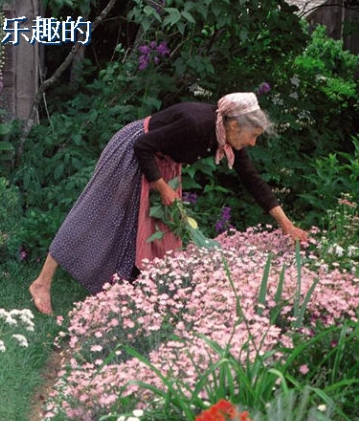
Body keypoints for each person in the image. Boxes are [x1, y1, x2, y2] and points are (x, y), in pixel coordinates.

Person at [29, 92, 309, 316]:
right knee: (96, 213)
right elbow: (142, 145)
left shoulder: (226, 137)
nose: (253, 143)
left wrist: (286, 225)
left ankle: (138, 298)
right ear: (234, 125)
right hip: (133, 152)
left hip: (160, 163)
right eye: (253, 135)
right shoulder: (196, 124)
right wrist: (163, 188)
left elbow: (252, 179)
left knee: (155, 231)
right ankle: (42, 283)